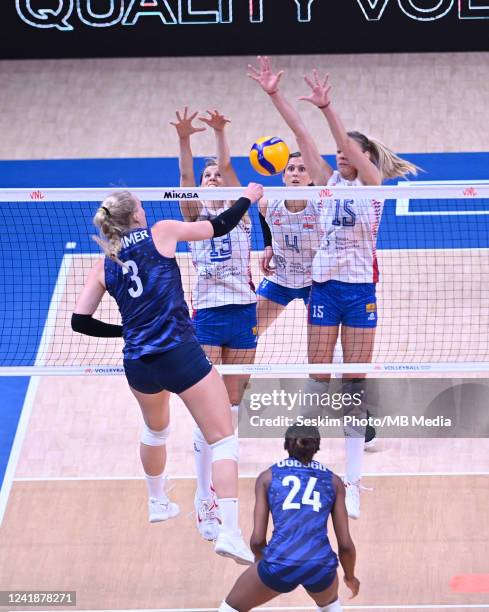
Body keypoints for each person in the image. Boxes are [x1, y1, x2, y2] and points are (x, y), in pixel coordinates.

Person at [248, 56, 418, 518]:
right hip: (323, 291)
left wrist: (331, 111)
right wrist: (275, 96)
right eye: (339, 152)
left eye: (349, 151)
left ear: (363, 159)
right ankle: (298, 459)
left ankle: (356, 483)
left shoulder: (373, 187)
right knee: (319, 377)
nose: (341, 154)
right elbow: (302, 136)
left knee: (355, 381)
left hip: (360, 293)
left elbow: (344, 145)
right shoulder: (326, 184)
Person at [71, 184, 263, 564]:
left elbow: (80, 321)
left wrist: (125, 331)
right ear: (137, 215)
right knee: (223, 438)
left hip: (139, 363)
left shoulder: (105, 260)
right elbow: (221, 225)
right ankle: (230, 531)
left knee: (155, 430)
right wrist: (249, 197)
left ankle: (158, 500)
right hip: (179, 354)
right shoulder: (163, 232)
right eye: (141, 206)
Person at [171, 107, 257, 542]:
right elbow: (186, 181)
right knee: (207, 414)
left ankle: (221, 490)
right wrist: (186, 141)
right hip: (204, 319)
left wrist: (221, 133)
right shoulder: (191, 220)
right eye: (207, 179)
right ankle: (203, 498)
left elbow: (227, 168)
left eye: (217, 178)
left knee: (233, 408)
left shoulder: (238, 214)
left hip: (243, 315)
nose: (212, 180)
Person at [218, 423, 359, 612]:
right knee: (330, 605)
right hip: (320, 565)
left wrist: (264, 567)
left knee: (230, 608)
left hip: (280, 562)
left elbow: (258, 539)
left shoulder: (267, 478)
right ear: (317, 446)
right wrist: (350, 577)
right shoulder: (333, 482)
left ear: (286, 444)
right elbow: (346, 546)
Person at [256, 151, 323, 336]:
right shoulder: (267, 203)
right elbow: (264, 218)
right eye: (291, 169)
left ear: (311, 177)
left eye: (302, 169)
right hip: (279, 278)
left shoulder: (321, 206)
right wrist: (268, 245)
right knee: (247, 332)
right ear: (283, 175)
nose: (295, 173)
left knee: (323, 347)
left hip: (315, 282)